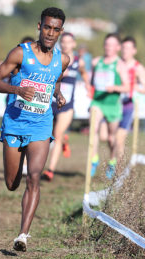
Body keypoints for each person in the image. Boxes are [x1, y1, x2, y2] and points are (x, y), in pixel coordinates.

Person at [0, 7, 69, 251]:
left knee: (34, 176)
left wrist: (58, 95)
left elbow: (55, 80)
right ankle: (14, 179)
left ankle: (22, 235)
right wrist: (17, 90)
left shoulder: (63, 60)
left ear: (60, 31)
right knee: (12, 183)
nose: (50, 33)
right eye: (47, 27)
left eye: (56, 29)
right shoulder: (20, 53)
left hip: (41, 125)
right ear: (39, 26)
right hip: (15, 122)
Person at [43, 32, 90, 181]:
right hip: (51, 102)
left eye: (69, 42)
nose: (65, 44)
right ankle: (64, 140)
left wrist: (88, 86)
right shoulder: (54, 58)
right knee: (47, 134)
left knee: (57, 134)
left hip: (67, 105)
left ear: (73, 44)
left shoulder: (78, 61)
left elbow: (83, 73)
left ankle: (50, 170)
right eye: (63, 42)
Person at [90, 33, 129, 179]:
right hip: (98, 102)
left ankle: (112, 162)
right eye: (106, 44)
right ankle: (94, 160)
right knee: (93, 129)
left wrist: (114, 88)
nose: (108, 48)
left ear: (118, 47)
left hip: (113, 105)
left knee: (111, 138)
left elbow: (126, 87)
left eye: (112, 45)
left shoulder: (120, 65)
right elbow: (92, 81)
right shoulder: (96, 62)